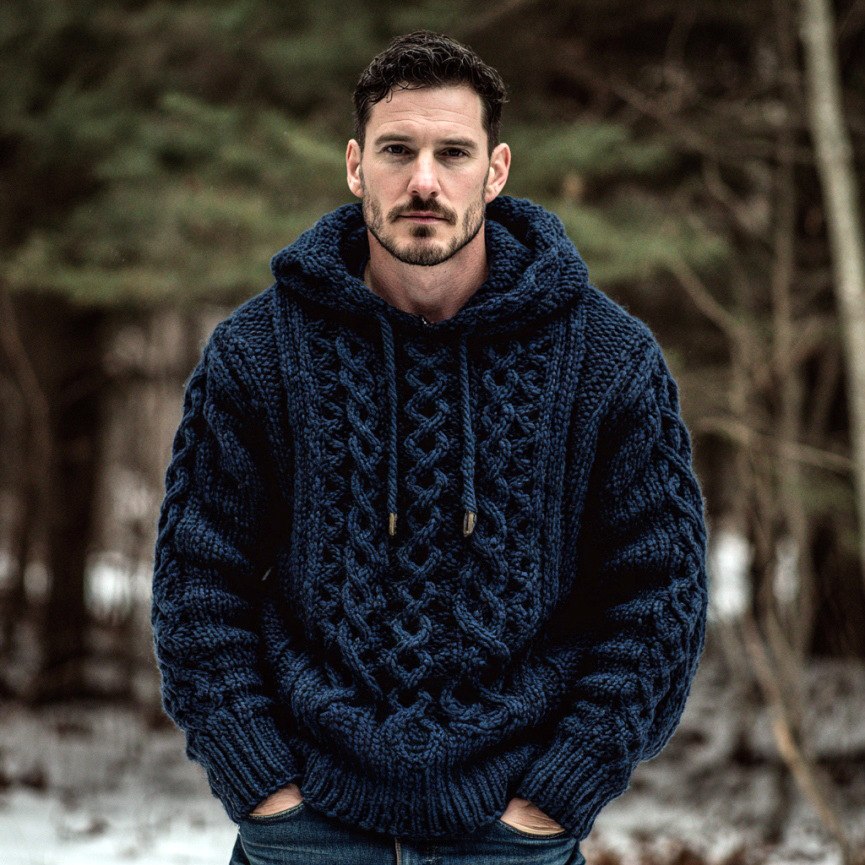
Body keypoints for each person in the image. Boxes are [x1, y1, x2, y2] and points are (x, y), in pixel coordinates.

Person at [151, 29, 709, 865]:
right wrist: (262, 787)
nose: (423, 180)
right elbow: (198, 577)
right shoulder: (258, 352)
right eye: (396, 150)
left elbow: (659, 592)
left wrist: (558, 794)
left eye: (452, 153)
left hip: (510, 838)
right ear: (354, 166)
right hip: (307, 832)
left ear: (495, 169)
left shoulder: (607, 360)